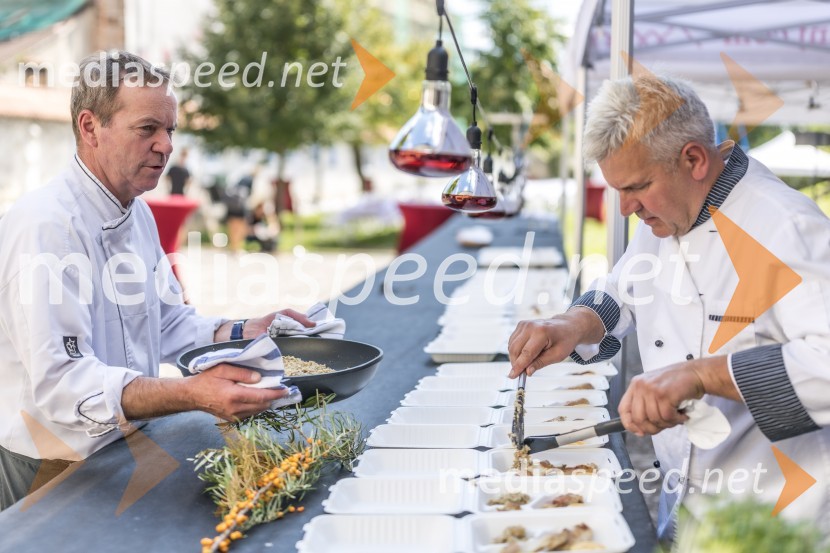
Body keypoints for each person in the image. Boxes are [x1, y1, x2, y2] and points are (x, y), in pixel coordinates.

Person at [508, 74, 830, 540]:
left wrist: (699, 375)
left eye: (635, 187)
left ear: (694, 159)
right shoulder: (673, 207)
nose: (623, 209)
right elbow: (621, 290)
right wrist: (570, 323)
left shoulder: (786, 225)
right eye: (617, 189)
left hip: (778, 519)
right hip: (688, 503)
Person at [0, 51, 313, 510]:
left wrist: (246, 330)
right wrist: (189, 394)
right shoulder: (47, 226)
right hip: (53, 463)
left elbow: (167, 323)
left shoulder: (138, 212)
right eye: (148, 129)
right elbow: (64, 384)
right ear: (90, 128)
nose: (165, 145)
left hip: (123, 445)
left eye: (170, 130)